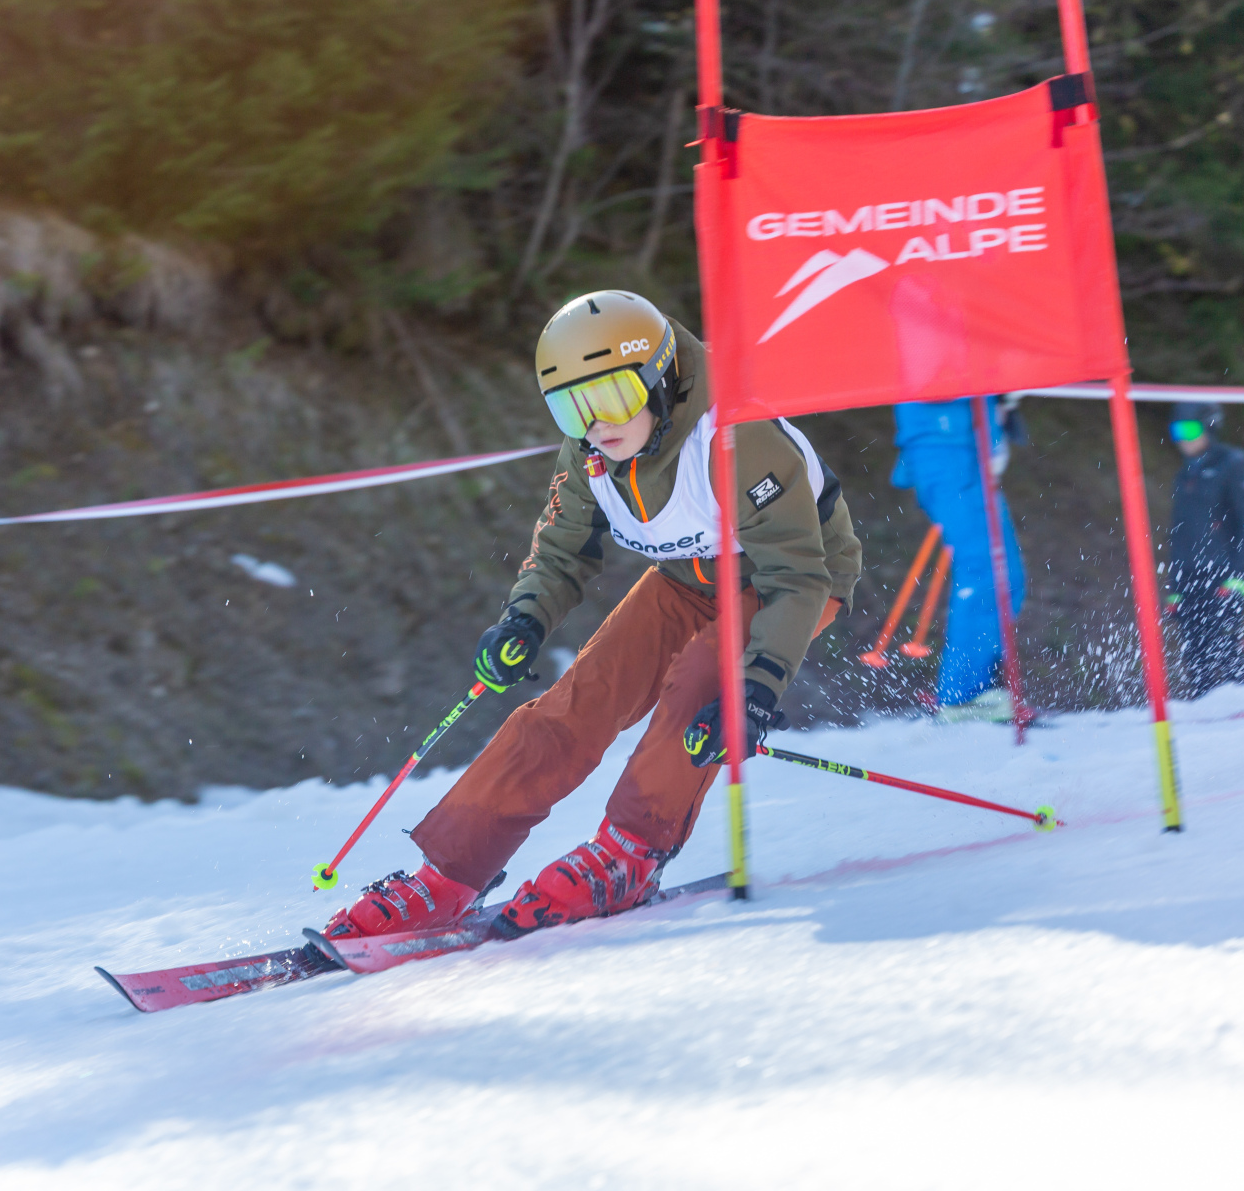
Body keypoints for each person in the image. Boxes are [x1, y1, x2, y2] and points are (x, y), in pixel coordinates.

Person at [321, 290, 862, 940]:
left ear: (659, 378)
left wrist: (758, 687)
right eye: (570, 406)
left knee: (699, 683)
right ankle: (447, 874)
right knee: (579, 700)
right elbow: (560, 552)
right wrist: (524, 620)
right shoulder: (589, 453)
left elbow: (797, 576)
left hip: (790, 580)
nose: (596, 423)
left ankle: (629, 854)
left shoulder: (736, 436)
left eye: (612, 397)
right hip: (686, 578)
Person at [889, 397, 1025, 722]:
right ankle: (965, 694)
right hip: (947, 450)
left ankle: (975, 686)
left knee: (1007, 577)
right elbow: (935, 378)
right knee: (988, 574)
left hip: (962, 448)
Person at [1166, 402, 1244, 696]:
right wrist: (1175, 587)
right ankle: (1203, 707)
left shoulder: (1231, 463)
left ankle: (1242, 705)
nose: (1183, 439)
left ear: (1209, 427)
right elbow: (1179, 533)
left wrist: (1238, 575)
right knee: (1195, 653)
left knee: (1224, 647)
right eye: (1176, 432)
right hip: (1189, 575)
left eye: (1189, 430)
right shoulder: (1186, 472)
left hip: (1222, 574)